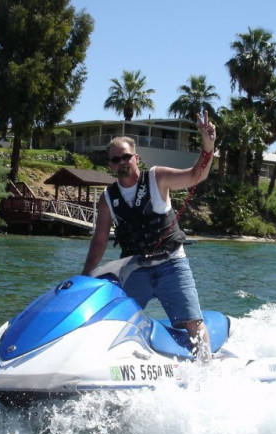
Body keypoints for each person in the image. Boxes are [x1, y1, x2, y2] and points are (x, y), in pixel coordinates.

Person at [82, 110, 216, 362]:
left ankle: (207, 367)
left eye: (126, 157)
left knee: (192, 322)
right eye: (115, 159)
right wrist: (85, 276)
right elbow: (99, 240)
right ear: (110, 165)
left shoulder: (157, 178)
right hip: (136, 269)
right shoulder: (107, 199)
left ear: (136, 158)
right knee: (115, 322)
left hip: (172, 264)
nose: (122, 162)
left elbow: (196, 174)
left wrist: (208, 148)